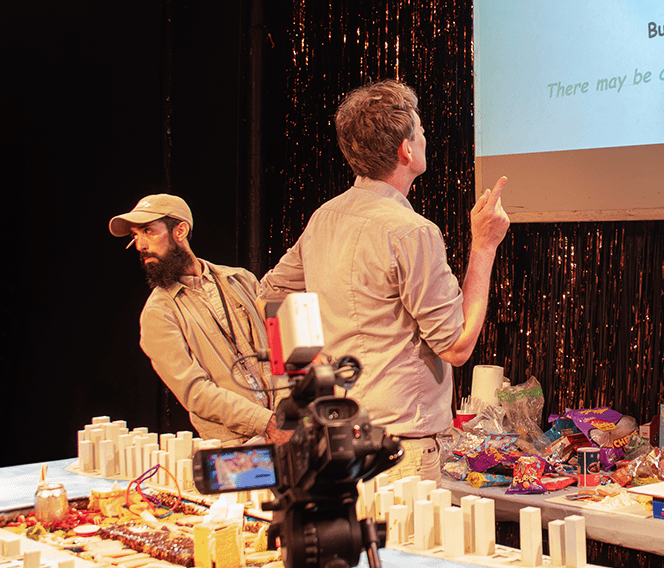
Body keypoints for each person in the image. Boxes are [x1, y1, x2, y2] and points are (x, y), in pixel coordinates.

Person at [259, 80, 510, 483]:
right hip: (398, 451)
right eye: (421, 130)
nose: (425, 137)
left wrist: (304, 360)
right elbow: (457, 347)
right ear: (407, 149)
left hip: (338, 436)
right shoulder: (412, 232)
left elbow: (270, 294)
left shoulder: (325, 217)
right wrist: (484, 245)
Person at [110, 194, 288, 445]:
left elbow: (278, 348)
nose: (140, 245)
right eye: (135, 235)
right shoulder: (158, 312)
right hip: (237, 446)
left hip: (288, 426)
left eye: (148, 231)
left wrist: (285, 411)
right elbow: (194, 391)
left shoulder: (241, 280)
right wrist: (266, 422)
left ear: (180, 231)